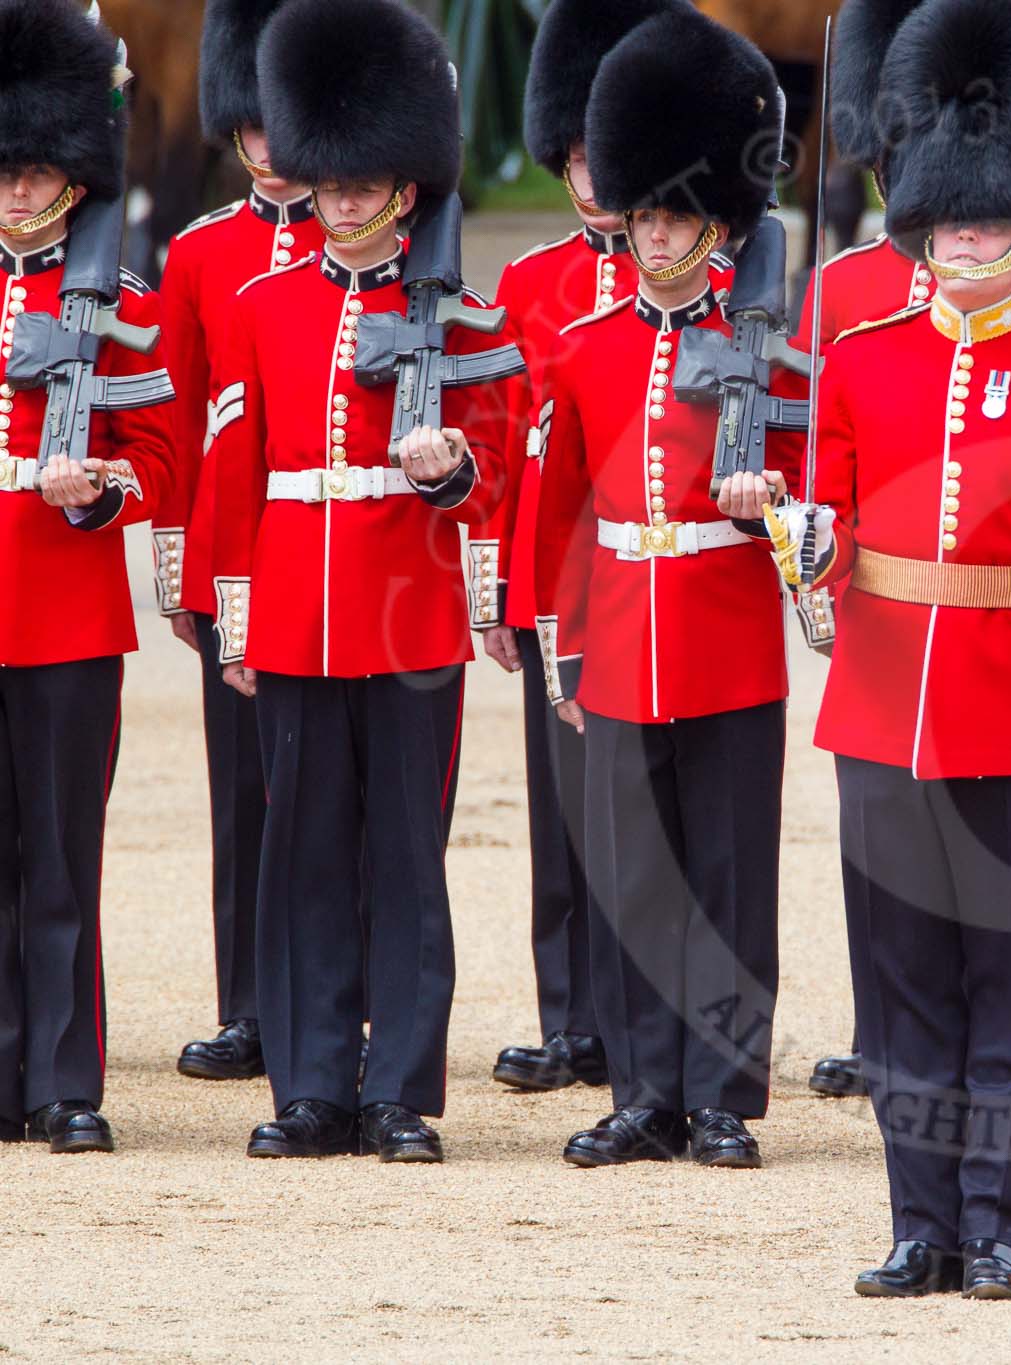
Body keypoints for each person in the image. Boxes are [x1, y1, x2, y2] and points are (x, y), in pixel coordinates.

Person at [762, 0, 1011, 1298]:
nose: (969, 238)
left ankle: (998, 1223)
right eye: (951, 220)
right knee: (905, 994)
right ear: (923, 220)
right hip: (880, 720)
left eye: (990, 221)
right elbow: (826, 542)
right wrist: (803, 544)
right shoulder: (858, 363)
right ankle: (919, 1220)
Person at [208, 0, 514, 1162]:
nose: (337, 199)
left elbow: (494, 472)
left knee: (403, 858)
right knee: (302, 856)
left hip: (408, 612)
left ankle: (398, 1091)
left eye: (359, 181)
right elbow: (239, 470)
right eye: (326, 179)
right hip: (292, 613)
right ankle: (310, 1084)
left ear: (404, 187)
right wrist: (236, 611)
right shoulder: (260, 305)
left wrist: (449, 475)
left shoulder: (460, 313)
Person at [530, 2, 794, 1172]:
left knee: (728, 877)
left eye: (673, 214)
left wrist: (772, 513)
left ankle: (723, 1092)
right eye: (641, 213)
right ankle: (645, 1089)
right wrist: (566, 644)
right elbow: (565, 518)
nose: (652, 232)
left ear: (715, 222)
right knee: (636, 877)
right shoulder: (587, 346)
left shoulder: (773, 349)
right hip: (624, 635)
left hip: (728, 631)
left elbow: (811, 500)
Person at [477, 0, 668, 1099]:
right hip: (562, 584)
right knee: (561, 814)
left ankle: (648, 1022)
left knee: (649, 818)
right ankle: (573, 1019)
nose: (594, 173)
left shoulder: (710, 284)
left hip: (660, 575)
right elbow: (509, 459)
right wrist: (505, 593)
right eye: (580, 150)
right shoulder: (528, 285)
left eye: (613, 148)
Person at [0, 0, 177, 1154]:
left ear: (76, 177)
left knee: (62, 856)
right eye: (3, 171)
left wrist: (99, 490)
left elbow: (160, 461)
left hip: (67, 609)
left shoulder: (122, 307)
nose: (16, 192)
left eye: (36, 171)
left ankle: (65, 1078)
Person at [162, 0, 317, 1085]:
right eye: (249, 123)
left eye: (282, 119)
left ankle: (329, 1000)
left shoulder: (367, 249)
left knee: (331, 799)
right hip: (231, 555)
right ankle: (250, 1005)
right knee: (241, 796)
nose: (265, 143)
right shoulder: (197, 255)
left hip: (325, 553)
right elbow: (173, 423)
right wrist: (180, 566)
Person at [799, 0, 934, 1108]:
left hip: (992, 605)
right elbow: (816, 451)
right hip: (881, 605)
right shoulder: (842, 287)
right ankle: (882, 1029)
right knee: (876, 849)